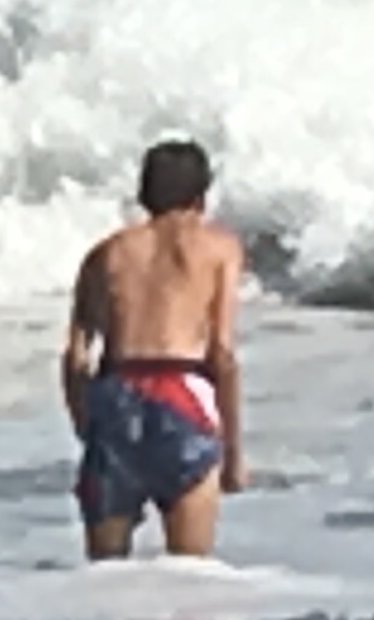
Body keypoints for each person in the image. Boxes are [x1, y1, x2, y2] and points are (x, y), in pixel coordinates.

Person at [62, 138, 245, 560]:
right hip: (183, 394)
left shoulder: (105, 253)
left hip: (117, 392)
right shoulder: (219, 249)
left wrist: (87, 426)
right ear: (201, 196)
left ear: (144, 193)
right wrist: (234, 453)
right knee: (190, 575)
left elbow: (75, 357)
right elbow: (221, 353)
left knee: (104, 575)